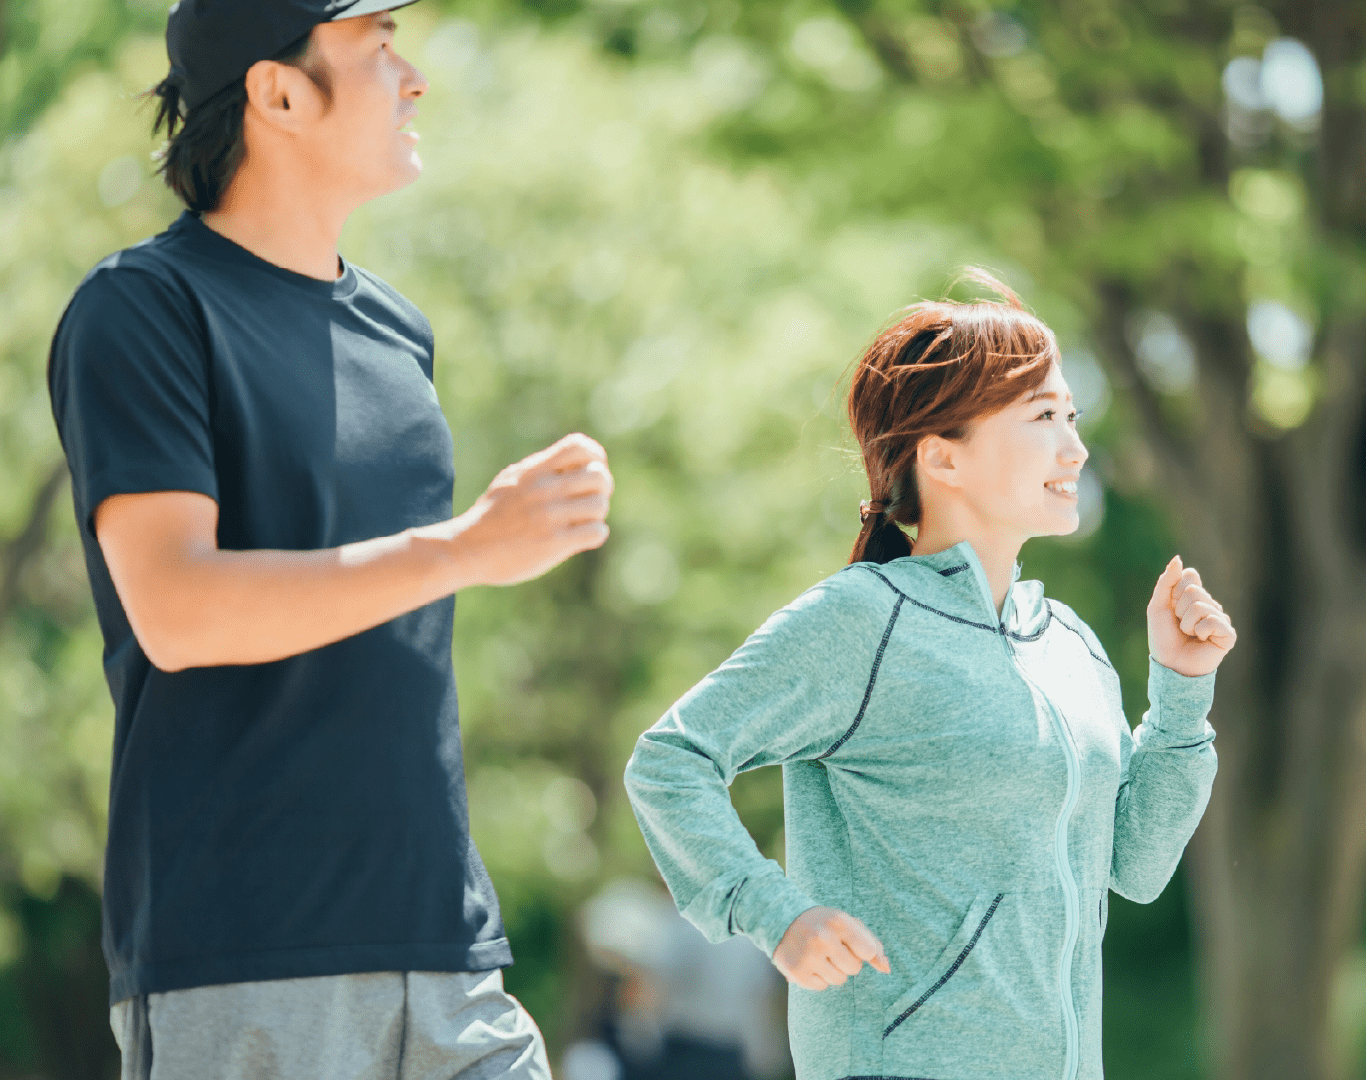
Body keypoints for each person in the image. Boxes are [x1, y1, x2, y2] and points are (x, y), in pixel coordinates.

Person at [46, 2, 612, 1077]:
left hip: (445, 949)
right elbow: (177, 609)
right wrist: (466, 549)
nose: (415, 79)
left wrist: (471, 548)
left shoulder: (398, 331)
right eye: (378, 48)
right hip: (247, 957)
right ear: (278, 92)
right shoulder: (142, 310)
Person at [623, 271, 1234, 1080]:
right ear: (943, 457)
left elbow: (1136, 865)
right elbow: (671, 760)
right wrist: (775, 914)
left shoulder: (1070, 645)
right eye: (1044, 416)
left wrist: (1181, 697)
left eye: (1073, 415)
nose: (1075, 447)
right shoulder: (864, 621)